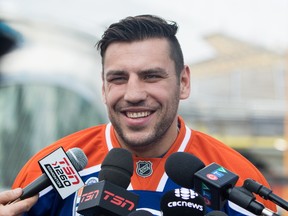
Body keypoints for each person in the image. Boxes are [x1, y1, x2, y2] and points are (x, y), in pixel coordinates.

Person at [12, 14, 277, 215]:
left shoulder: (236, 177)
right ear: (104, 88)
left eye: (151, 76)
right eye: (118, 78)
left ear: (183, 82)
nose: (133, 94)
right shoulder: (52, 170)